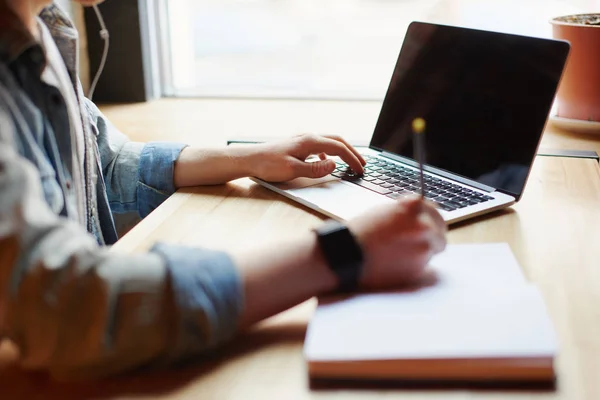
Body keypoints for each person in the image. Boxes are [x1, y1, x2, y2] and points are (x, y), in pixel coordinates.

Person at [0, 0, 447, 380]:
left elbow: (102, 163)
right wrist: (343, 253)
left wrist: (249, 160)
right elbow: (69, 309)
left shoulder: (42, 23)